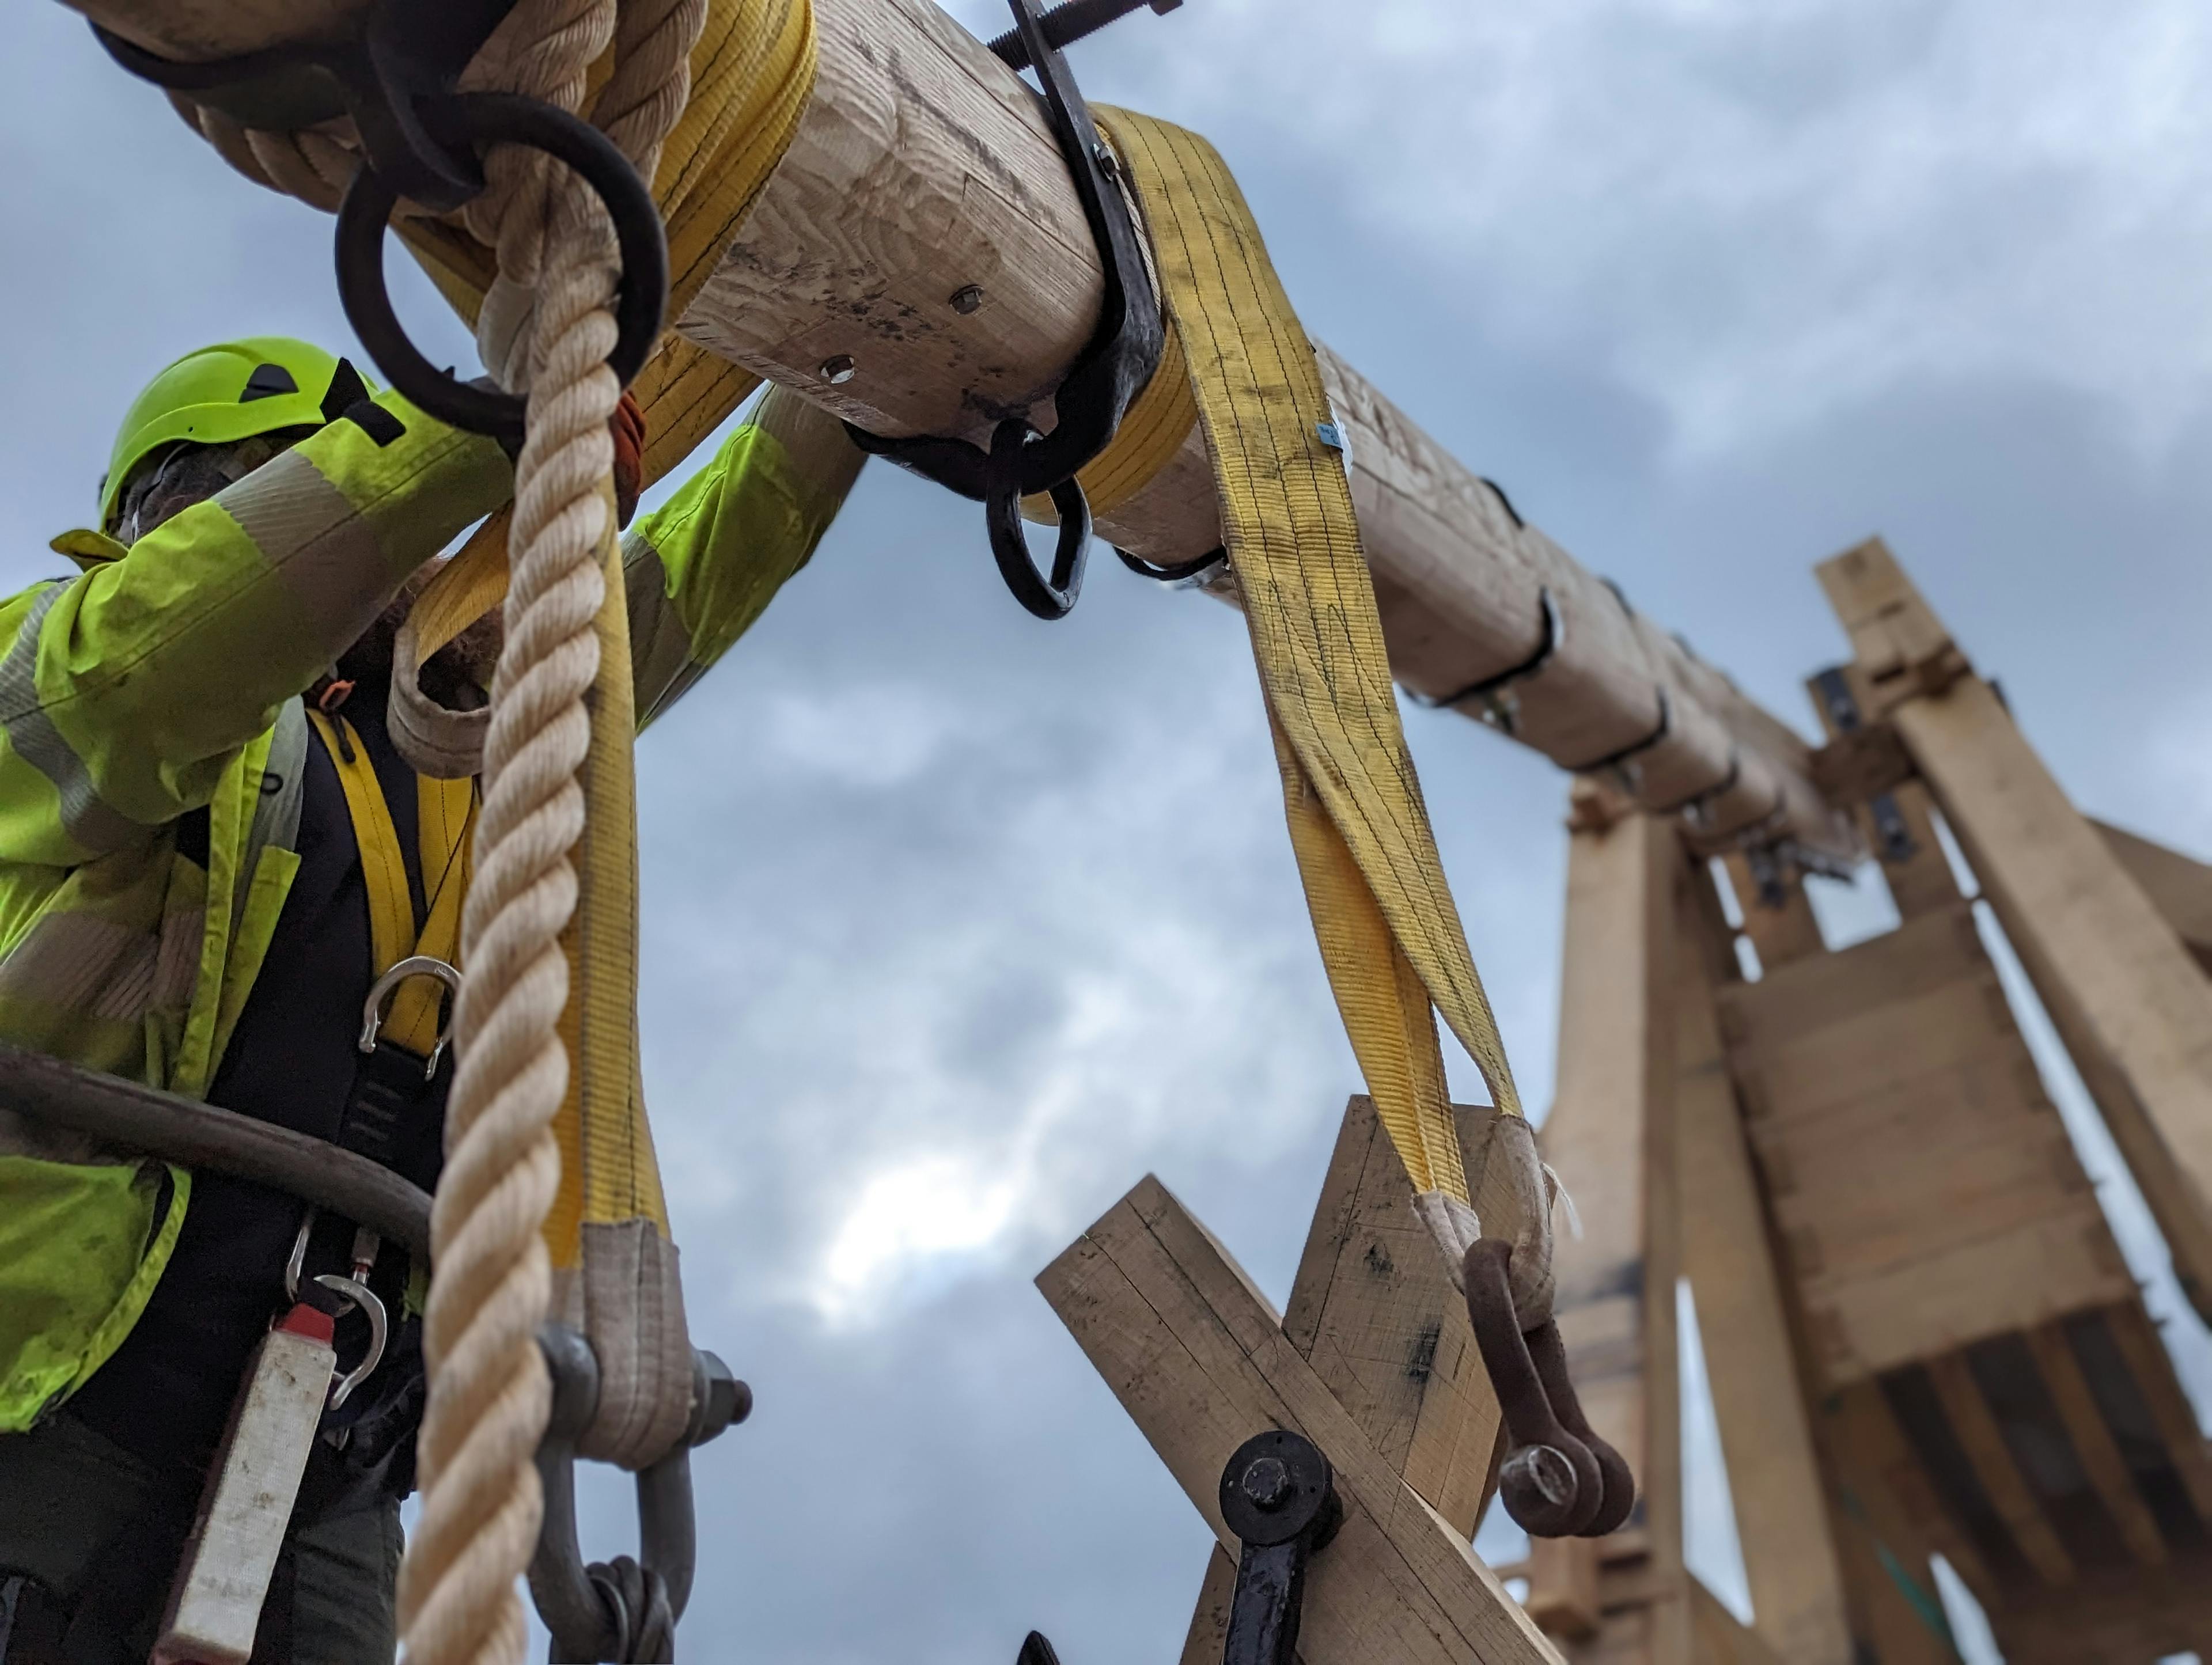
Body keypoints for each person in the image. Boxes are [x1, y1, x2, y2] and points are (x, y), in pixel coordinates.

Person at [0, 336, 861, 1662]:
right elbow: (169, 649)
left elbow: (676, 581)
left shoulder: (465, 754)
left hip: (328, 1464)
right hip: (50, 1415)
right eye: (329, 504)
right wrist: (481, 418)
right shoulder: (61, 672)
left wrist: (849, 392)